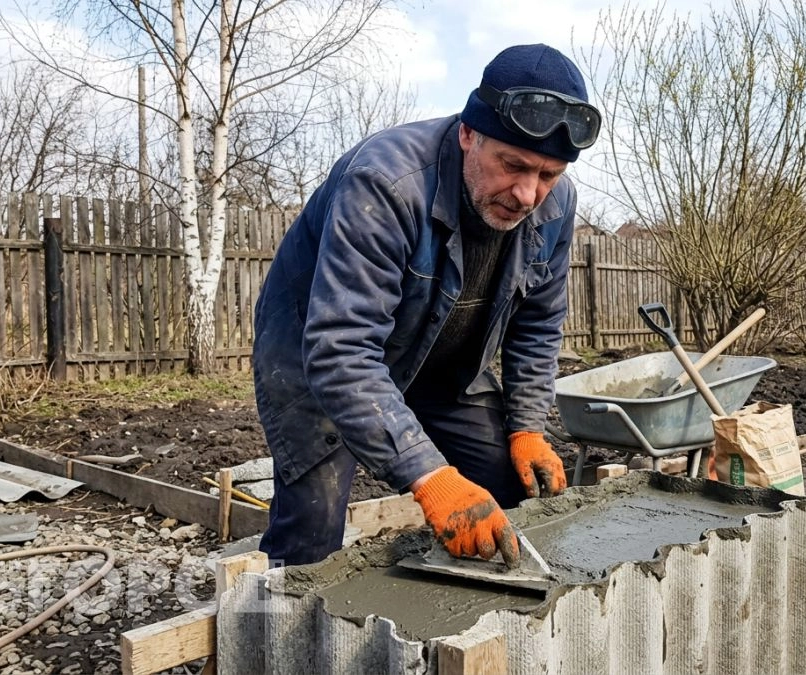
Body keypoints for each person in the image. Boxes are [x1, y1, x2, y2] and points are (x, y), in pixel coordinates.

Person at [251, 43, 601, 567]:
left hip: (444, 362)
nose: (528, 194)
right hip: (319, 355)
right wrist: (431, 478)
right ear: (468, 134)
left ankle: (470, 623)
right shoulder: (385, 184)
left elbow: (539, 322)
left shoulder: (556, 204)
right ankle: (272, 636)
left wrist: (527, 425)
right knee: (312, 530)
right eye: (513, 165)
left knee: (511, 483)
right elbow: (342, 350)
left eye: (548, 175)